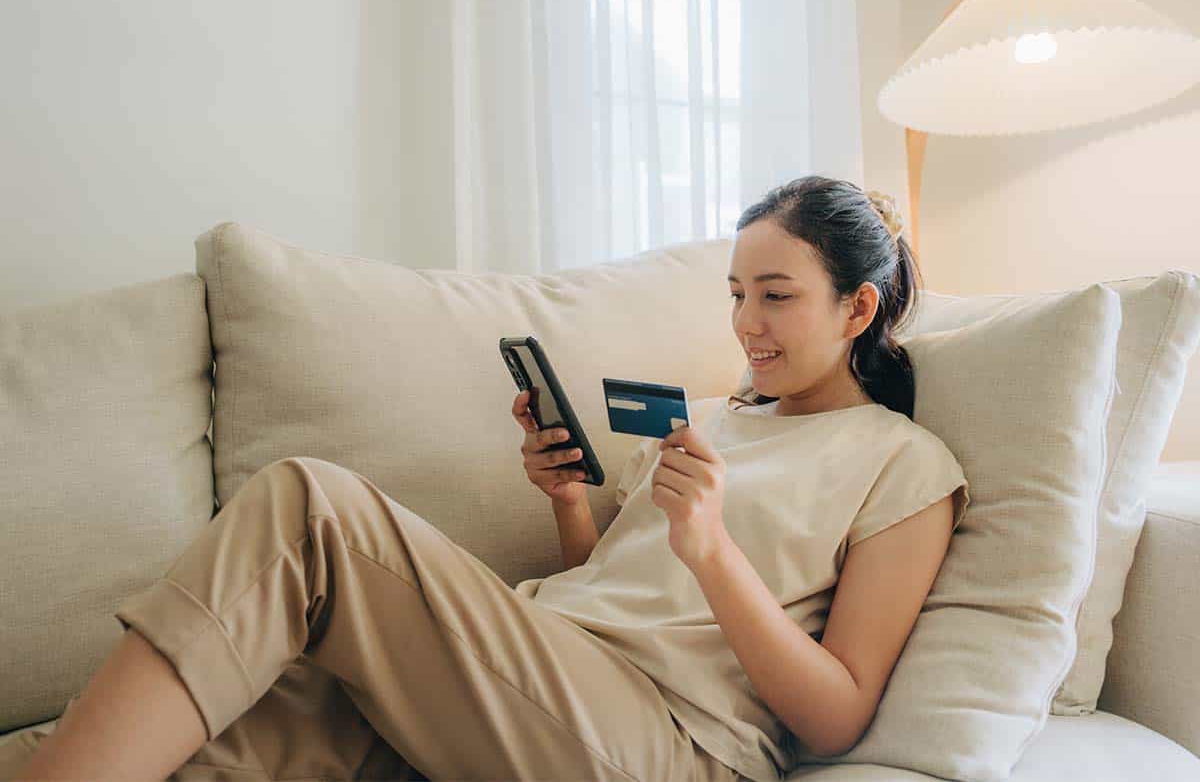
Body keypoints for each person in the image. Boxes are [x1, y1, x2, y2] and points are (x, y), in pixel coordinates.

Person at [5, 175, 968, 782]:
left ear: (858, 309)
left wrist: (712, 551)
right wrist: (567, 505)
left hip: (669, 744)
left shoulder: (902, 463)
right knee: (221, 725)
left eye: (777, 297)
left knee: (310, 508)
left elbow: (839, 716)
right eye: (735, 294)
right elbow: (614, 590)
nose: (747, 323)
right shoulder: (715, 418)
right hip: (543, 681)